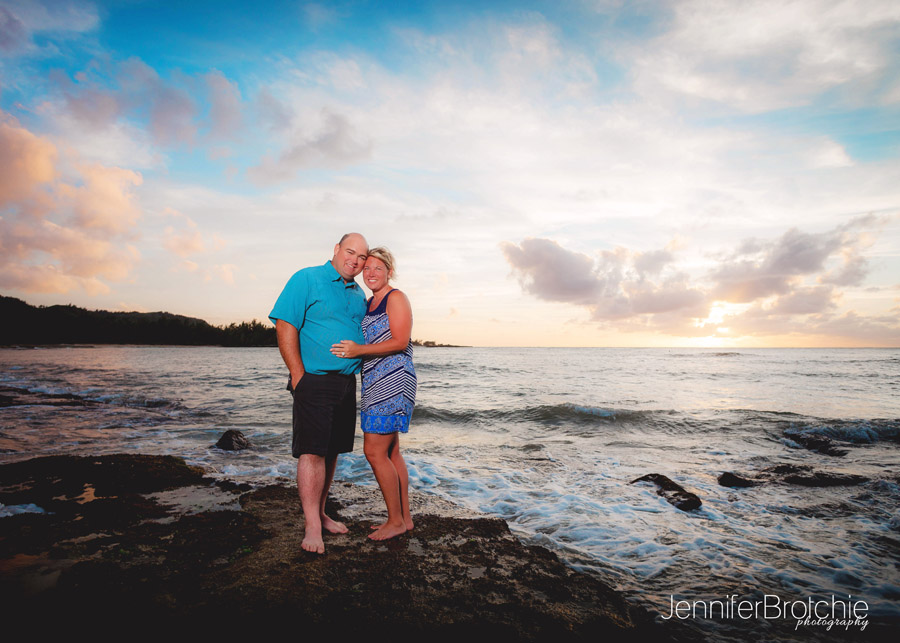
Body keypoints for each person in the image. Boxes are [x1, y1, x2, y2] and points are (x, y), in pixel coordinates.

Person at [269, 232, 369, 554]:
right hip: (313, 380)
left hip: (346, 384)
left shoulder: (358, 294)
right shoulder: (307, 278)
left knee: (333, 451)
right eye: (350, 252)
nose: (354, 260)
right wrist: (298, 376)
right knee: (312, 452)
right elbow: (285, 324)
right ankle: (311, 526)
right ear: (336, 250)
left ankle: (322, 513)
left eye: (362, 257)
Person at [331, 247, 416, 541]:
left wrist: (359, 350)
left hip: (393, 380)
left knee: (373, 451)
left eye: (378, 268)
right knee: (391, 451)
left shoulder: (396, 298)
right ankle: (404, 519)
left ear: (389, 272)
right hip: (374, 380)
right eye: (367, 269)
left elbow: (400, 340)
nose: (371, 273)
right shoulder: (369, 303)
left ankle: (394, 521)